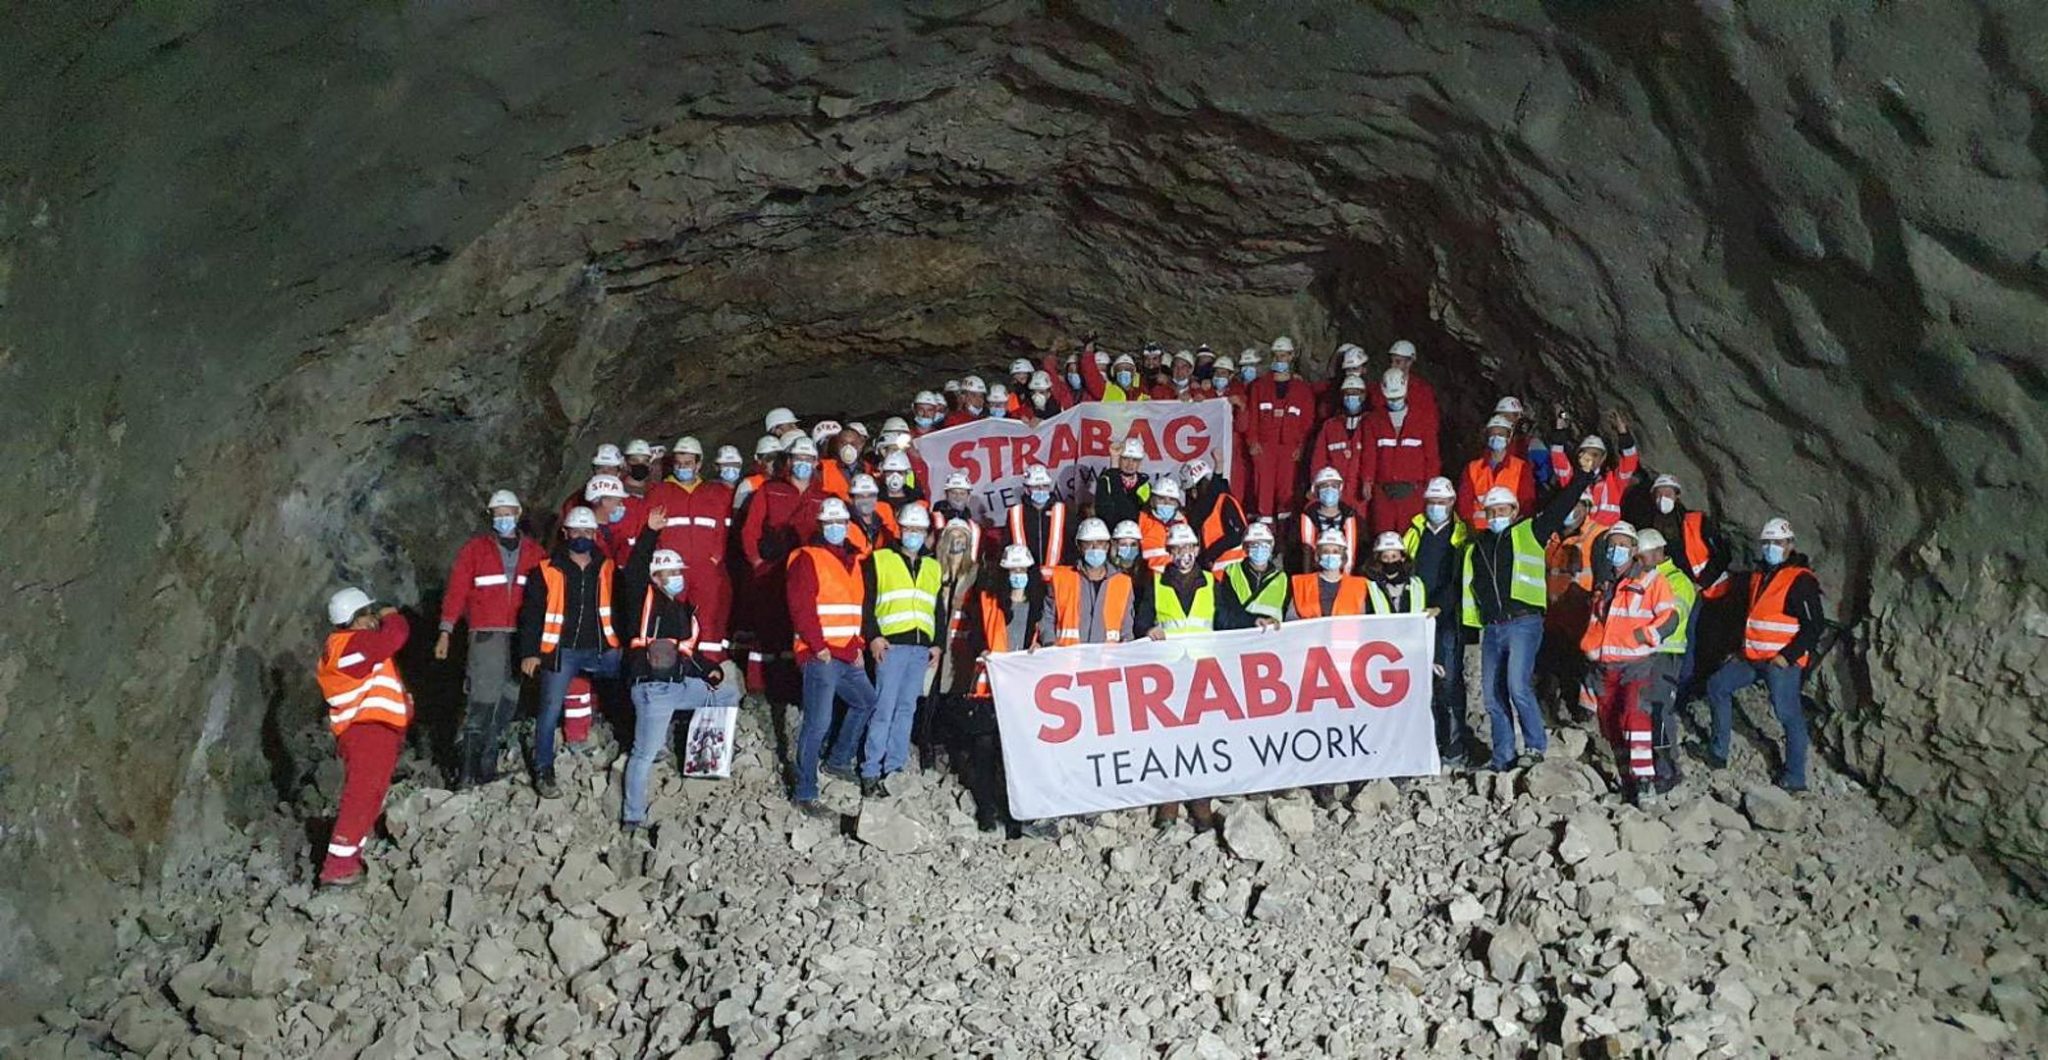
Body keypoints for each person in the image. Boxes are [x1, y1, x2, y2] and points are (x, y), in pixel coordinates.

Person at [1461, 474, 1596, 772]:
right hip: (1492, 627)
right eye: (1491, 511)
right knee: (1493, 696)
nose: (1496, 516)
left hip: (1524, 622)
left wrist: (1583, 476)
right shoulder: (1477, 547)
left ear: (1514, 511)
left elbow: (1561, 507)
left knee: (1517, 685)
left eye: (1502, 510)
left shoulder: (1530, 532)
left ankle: (1535, 747)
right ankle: (1503, 757)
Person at [618, 508, 737, 831]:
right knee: (643, 754)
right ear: (656, 577)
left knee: (727, 694)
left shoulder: (679, 609)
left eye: (677, 572)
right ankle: (633, 816)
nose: (676, 577)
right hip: (653, 689)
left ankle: (703, 760)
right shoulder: (643, 598)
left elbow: (686, 651)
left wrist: (709, 670)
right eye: (670, 573)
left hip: (678, 685)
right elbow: (633, 571)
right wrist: (649, 532)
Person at [1703, 518, 1823, 791]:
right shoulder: (1760, 576)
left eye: (1778, 543)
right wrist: (1739, 650)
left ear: (1790, 545)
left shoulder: (1800, 580)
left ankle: (1795, 778)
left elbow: (1814, 626)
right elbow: (1753, 617)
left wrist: (1787, 656)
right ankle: (1718, 752)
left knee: (1787, 714)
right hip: (1752, 657)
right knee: (1717, 686)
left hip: (1781, 662)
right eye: (1767, 543)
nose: (1771, 548)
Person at [436, 489, 545, 787]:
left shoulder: (535, 553)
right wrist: (446, 630)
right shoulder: (474, 550)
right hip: (486, 637)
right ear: (490, 517)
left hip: (520, 639)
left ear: (519, 514)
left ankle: (486, 770)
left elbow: (546, 597)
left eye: (508, 512)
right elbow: (456, 591)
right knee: (481, 704)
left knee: (507, 703)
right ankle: (467, 775)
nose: (504, 518)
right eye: (498, 514)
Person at [516, 506, 622, 798]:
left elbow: (622, 606)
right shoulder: (546, 570)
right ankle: (543, 769)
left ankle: (628, 747)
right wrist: (531, 652)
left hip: (601, 649)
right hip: (561, 652)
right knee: (548, 711)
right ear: (566, 533)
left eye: (588, 532)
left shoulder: (607, 567)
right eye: (577, 532)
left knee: (629, 686)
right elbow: (532, 614)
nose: (583, 537)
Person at [314, 588, 413, 887]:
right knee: (361, 794)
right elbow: (395, 635)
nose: (374, 619)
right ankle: (337, 867)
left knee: (370, 794)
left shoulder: (353, 647)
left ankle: (349, 858)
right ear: (356, 618)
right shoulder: (349, 645)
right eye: (369, 613)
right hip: (365, 731)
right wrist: (391, 613)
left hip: (374, 730)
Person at [1577, 522, 1681, 805]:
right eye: (1613, 545)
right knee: (1610, 724)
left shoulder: (1651, 580)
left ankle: (1646, 782)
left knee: (1636, 719)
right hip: (1606, 667)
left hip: (1637, 664)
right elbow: (1597, 623)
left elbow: (1670, 617)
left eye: (1623, 545)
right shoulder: (1606, 583)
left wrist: (1645, 636)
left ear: (1634, 549)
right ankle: (1627, 782)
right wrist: (1590, 650)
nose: (1616, 550)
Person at [787, 498, 879, 815]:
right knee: (818, 723)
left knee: (866, 701)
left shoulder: (852, 562)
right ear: (822, 526)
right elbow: (802, 607)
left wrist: (858, 645)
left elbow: (855, 611)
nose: (837, 528)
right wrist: (817, 646)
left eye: (841, 523)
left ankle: (838, 760)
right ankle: (805, 791)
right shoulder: (808, 558)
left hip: (846, 654)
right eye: (831, 523)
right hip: (821, 655)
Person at [962, 545, 1056, 838]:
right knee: (986, 752)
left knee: (1019, 757)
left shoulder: (1039, 607)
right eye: (1012, 571)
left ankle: (1017, 815)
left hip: (1024, 693)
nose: (1018, 576)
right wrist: (983, 649)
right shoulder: (988, 600)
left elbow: (1049, 639)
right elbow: (975, 635)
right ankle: (987, 810)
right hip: (989, 690)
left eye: (1022, 571)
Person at [859, 503, 944, 796]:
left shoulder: (933, 566)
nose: (914, 534)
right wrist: (873, 636)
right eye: (910, 529)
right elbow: (866, 603)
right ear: (900, 529)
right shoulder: (880, 560)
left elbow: (937, 609)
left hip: (920, 649)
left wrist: (938, 644)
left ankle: (894, 769)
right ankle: (871, 770)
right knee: (884, 708)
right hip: (891, 647)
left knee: (906, 709)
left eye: (919, 530)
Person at [1144, 524, 1216, 831]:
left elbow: (1226, 616)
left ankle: (1200, 803)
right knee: (1168, 737)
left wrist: (1255, 620)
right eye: (1177, 550)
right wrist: (1146, 627)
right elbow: (1142, 616)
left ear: (1197, 550)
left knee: (1200, 739)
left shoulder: (1212, 582)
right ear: (1169, 553)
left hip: (1202, 671)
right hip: (1168, 673)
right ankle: (1169, 802)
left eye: (1188, 549)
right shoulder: (1156, 582)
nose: (1184, 555)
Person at [647, 436, 736, 669]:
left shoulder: (715, 493)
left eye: (688, 463)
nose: (683, 467)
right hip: (672, 570)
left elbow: (724, 530)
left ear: (698, 464)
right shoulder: (660, 492)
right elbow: (651, 531)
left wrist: (715, 557)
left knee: (709, 621)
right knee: (671, 621)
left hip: (706, 569)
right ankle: (670, 670)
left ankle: (710, 671)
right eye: (679, 463)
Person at [1404, 477, 1471, 766]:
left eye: (1442, 502)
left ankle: (1454, 744)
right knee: (1418, 683)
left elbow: (1461, 579)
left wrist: (1440, 607)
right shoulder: (1414, 531)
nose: (1436, 507)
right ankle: (1425, 741)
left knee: (1449, 681)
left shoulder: (1461, 535)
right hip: (1416, 620)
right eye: (1432, 502)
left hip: (1445, 620)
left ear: (1452, 503)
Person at [1643, 473, 1729, 694]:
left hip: (1709, 591)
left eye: (1668, 493)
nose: (1663, 498)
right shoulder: (1651, 525)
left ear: (1677, 495)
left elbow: (1724, 554)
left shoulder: (1696, 521)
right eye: (1659, 494)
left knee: (1706, 640)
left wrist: (1702, 582)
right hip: (1674, 588)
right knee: (1685, 636)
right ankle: (1682, 688)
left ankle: (1695, 687)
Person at [1633, 529, 1695, 794]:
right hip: (1644, 654)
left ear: (1658, 552)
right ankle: (1647, 766)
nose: (1639, 560)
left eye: (1642, 555)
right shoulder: (1644, 578)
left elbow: (1674, 615)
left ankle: (1668, 771)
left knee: (1659, 711)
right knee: (1642, 711)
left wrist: (1647, 632)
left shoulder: (1677, 581)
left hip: (1666, 654)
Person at [1244, 336, 1316, 521]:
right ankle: (1264, 532)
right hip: (1264, 447)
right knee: (1263, 490)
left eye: (1283, 356)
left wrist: (1300, 447)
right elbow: (1252, 416)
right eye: (1276, 356)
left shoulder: (1302, 389)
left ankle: (1283, 539)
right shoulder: (1260, 387)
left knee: (1287, 493)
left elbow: (1308, 422)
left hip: (1289, 447)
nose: (1279, 360)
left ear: (1291, 357)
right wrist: (1252, 442)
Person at [1365, 369, 1439, 535]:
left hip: (1414, 491)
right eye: (1390, 398)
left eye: (1397, 398)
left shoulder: (1422, 419)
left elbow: (1431, 457)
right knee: (1382, 537)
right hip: (1383, 491)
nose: (1394, 402)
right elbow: (1369, 455)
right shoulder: (1373, 420)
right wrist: (1367, 481)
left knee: (1411, 536)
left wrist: (1430, 487)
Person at [1042, 518, 1136, 646]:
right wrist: (1048, 644)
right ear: (1079, 546)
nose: (1095, 548)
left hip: (1107, 662)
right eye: (1088, 543)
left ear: (1108, 546)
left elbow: (1126, 629)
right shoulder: (1061, 578)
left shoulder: (1123, 583)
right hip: (1067, 661)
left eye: (1100, 543)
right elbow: (1047, 618)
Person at [1550, 411, 1638, 528]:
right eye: (1585, 453)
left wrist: (1623, 432)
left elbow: (1630, 460)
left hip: (1605, 538)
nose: (1590, 458)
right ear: (1579, 456)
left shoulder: (1613, 481)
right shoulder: (1571, 479)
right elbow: (1557, 455)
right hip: (1578, 538)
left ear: (1603, 458)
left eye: (1595, 455)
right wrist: (1559, 428)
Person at [1458, 415, 1537, 531]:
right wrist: (1471, 526)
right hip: (1478, 530)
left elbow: (1527, 503)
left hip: (1510, 530)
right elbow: (1464, 504)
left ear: (1509, 437)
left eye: (1501, 434)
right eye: (1492, 434)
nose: (1496, 438)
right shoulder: (1473, 468)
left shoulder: (1521, 467)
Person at [1311, 374, 1374, 511]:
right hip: (1334, 490)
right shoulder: (1330, 426)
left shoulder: (1371, 424)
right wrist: (1316, 484)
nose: (1350, 398)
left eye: (1355, 394)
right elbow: (1319, 459)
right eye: (1347, 394)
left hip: (1361, 492)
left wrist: (1368, 481)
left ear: (1363, 396)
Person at [1216, 522, 1288, 629]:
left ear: (1272, 546)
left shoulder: (1282, 578)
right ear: (1245, 547)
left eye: (1265, 544)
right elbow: (1225, 613)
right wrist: (1253, 621)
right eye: (1254, 544)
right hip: (1240, 637)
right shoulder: (1231, 572)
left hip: (1271, 640)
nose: (1259, 548)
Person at [1287, 528, 1370, 620]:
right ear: (1318, 555)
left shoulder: (1358, 586)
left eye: (1335, 552)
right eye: (1326, 551)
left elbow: (1362, 621)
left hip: (1346, 634)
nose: (1331, 555)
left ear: (1343, 555)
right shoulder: (1302, 584)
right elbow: (1291, 620)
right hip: (1311, 634)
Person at [1181, 457, 1247, 571]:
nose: (1192, 495)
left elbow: (1238, 534)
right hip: (1215, 569)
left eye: (1192, 490)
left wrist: (1209, 555)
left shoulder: (1224, 501)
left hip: (1234, 568)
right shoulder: (1198, 511)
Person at [1005, 464, 1069, 576]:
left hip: (1058, 577)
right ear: (1027, 489)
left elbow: (1071, 545)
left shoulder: (1063, 510)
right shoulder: (1015, 513)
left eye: (1045, 486)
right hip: (1026, 577)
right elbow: (1006, 545)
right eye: (1036, 486)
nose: (1041, 490)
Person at [1296, 467, 1360, 573]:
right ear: (1316, 491)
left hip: (1343, 574)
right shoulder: (1308, 515)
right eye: (1324, 486)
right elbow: (1307, 550)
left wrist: (1345, 578)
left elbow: (1350, 550)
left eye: (1334, 486)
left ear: (1339, 490)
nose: (1329, 490)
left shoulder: (1348, 515)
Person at [1092, 437, 1152, 528]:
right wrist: (1114, 470)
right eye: (1125, 459)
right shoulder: (1106, 481)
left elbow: (1145, 516)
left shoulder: (1145, 485)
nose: (1130, 464)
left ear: (1140, 462)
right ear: (1119, 458)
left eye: (1135, 460)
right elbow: (1103, 513)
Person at [1363, 531, 1427, 615]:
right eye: (1385, 557)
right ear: (1378, 559)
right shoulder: (1370, 586)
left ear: (1402, 558)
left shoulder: (1416, 584)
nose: (1390, 561)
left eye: (1394, 556)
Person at [1136, 476, 1186, 572]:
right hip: (1148, 577)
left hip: (1176, 577)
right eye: (1161, 498)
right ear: (1153, 501)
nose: (1167, 503)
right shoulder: (1142, 519)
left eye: (1171, 499)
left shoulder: (1183, 521)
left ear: (1177, 503)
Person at [845, 474, 898, 558]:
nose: (866, 501)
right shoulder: (844, 526)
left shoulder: (884, 526)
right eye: (860, 496)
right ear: (851, 499)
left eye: (871, 496)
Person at [735, 435, 782, 511]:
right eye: (769, 458)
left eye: (778, 458)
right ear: (759, 460)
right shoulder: (748, 485)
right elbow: (737, 513)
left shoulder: (788, 482)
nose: (774, 463)